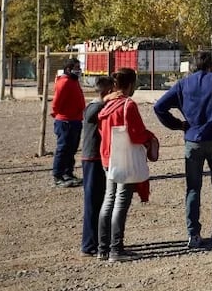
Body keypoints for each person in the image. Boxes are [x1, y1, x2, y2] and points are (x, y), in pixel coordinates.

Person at [153, 51, 212, 248]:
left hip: (193, 139)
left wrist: (177, 124)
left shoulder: (183, 84)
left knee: (193, 188)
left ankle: (193, 234)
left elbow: (159, 107)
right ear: (211, 65)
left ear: (192, 66)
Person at [96, 68, 156, 262]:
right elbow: (136, 134)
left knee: (108, 200)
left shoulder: (106, 104)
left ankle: (102, 248)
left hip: (107, 157)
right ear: (130, 84)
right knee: (121, 203)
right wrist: (150, 137)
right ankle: (116, 249)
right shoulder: (128, 105)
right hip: (124, 159)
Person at [80, 76, 113, 256]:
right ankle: (89, 244)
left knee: (100, 201)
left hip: (95, 158)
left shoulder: (96, 105)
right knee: (93, 203)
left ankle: (99, 241)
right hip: (92, 159)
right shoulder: (95, 107)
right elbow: (94, 114)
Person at [51, 57, 86, 188]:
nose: (79, 70)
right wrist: (57, 115)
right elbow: (57, 102)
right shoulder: (64, 82)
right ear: (68, 69)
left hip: (75, 120)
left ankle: (68, 173)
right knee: (63, 149)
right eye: (76, 68)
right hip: (65, 121)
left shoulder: (73, 81)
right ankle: (58, 176)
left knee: (71, 149)